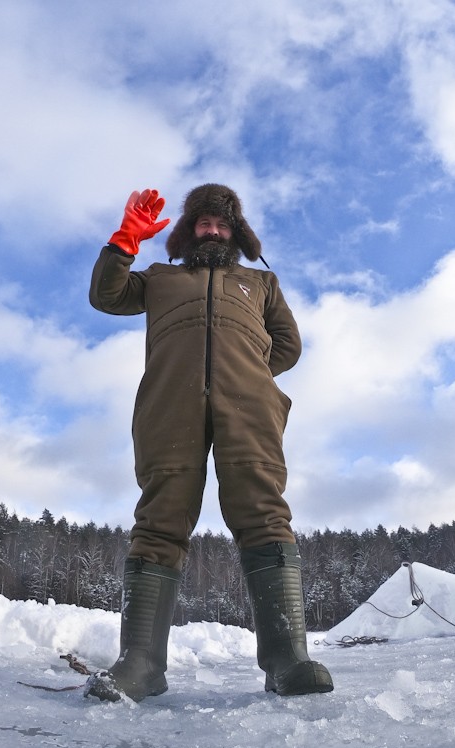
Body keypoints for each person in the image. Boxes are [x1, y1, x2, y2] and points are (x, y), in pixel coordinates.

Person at [84, 185, 333, 702]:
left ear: (236, 232)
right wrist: (125, 240)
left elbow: (289, 343)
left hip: (249, 408)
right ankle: (141, 664)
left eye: (223, 224)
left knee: (264, 510)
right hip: (168, 404)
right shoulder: (160, 278)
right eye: (203, 223)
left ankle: (287, 660)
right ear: (188, 230)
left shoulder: (261, 283)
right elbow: (106, 297)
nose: (213, 230)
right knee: (159, 519)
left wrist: (250, 375)